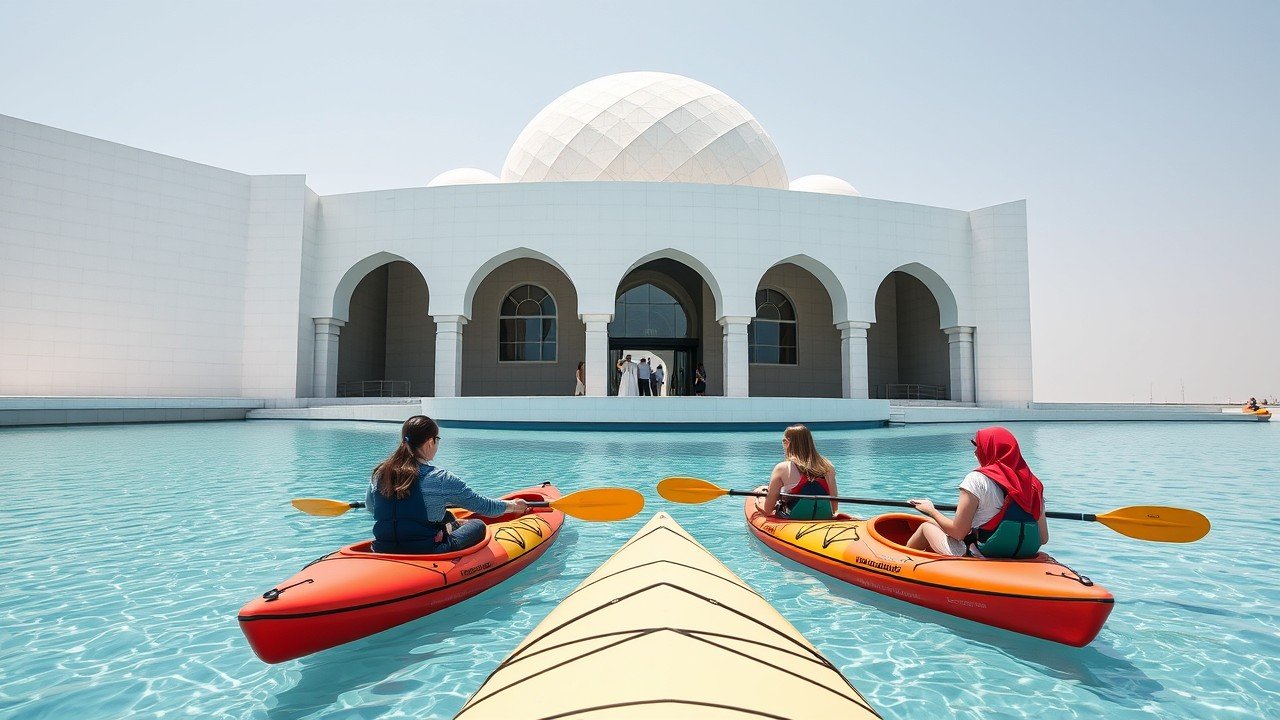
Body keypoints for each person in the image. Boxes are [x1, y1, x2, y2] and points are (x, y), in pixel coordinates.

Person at [366, 415, 528, 554]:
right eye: (437, 440)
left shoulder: (380, 473)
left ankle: (451, 524)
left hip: (383, 547)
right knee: (478, 525)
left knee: (446, 516)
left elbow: (372, 508)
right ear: (430, 442)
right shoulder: (441, 479)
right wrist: (514, 506)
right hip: (427, 550)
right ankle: (450, 527)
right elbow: (485, 507)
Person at [905, 426, 1048, 559]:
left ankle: (900, 565)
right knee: (935, 523)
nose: (975, 452)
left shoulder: (976, 480)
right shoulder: (1034, 484)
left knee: (926, 526)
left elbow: (958, 532)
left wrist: (931, 510)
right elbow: (1043, 538)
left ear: (990, 450)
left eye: (979, 447)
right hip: (1023, 552)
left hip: (985, 551)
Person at [763, 424, 839, 520]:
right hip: (823, 518)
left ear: (787, 443)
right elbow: (834, 507)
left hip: (794, 521)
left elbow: (768, 509)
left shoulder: (782, 468)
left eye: (783, 441)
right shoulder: (828, 467)